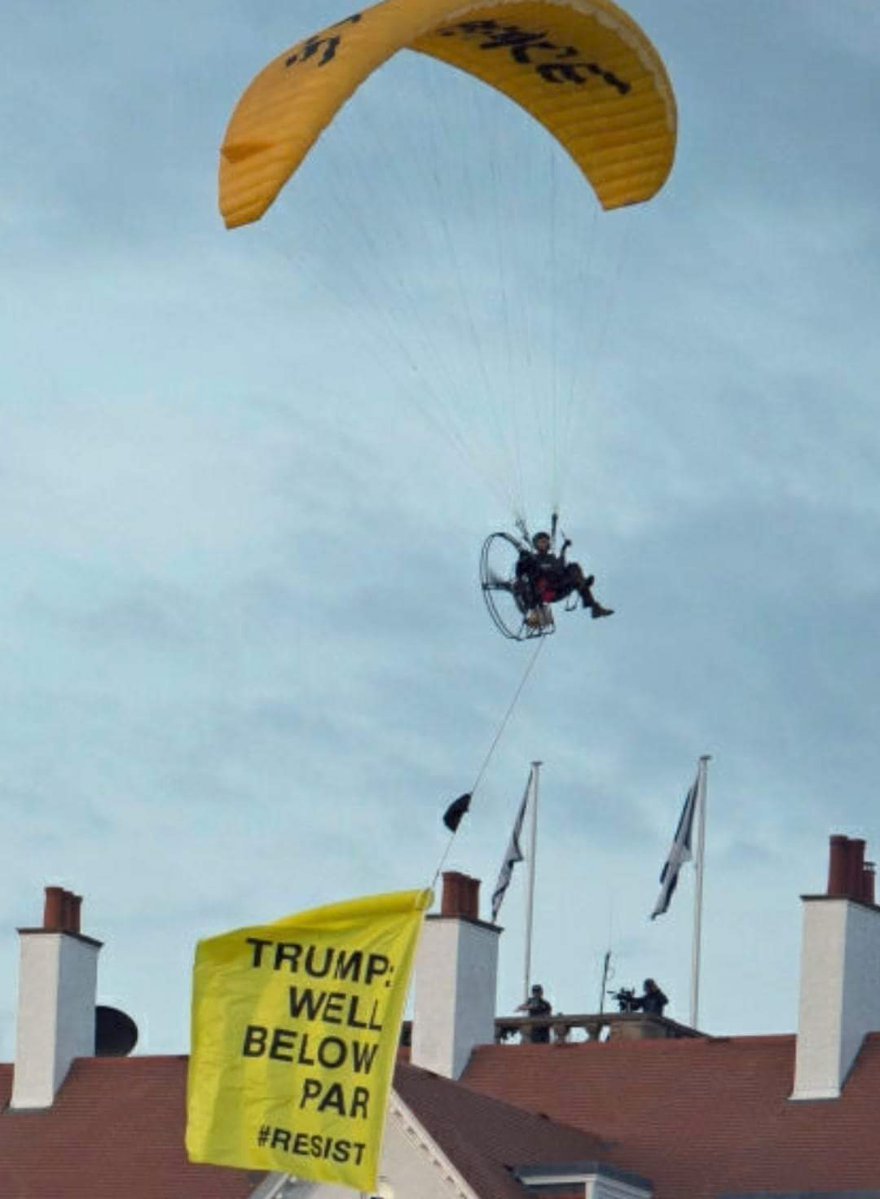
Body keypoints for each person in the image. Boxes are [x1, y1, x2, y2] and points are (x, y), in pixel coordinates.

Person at [515, 531, 613, 620]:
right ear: (536, 545)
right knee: (538, 568)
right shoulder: (533, 558)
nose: (544, 544)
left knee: (573, 567)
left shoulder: (552, 558)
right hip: (544, 591)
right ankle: (581, 583)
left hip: (560, 588)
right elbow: (521, 570)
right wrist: (523, 560)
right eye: (541, 542)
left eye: (545, 541)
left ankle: (594, 607)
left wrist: (564, 548)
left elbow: (560, 566)